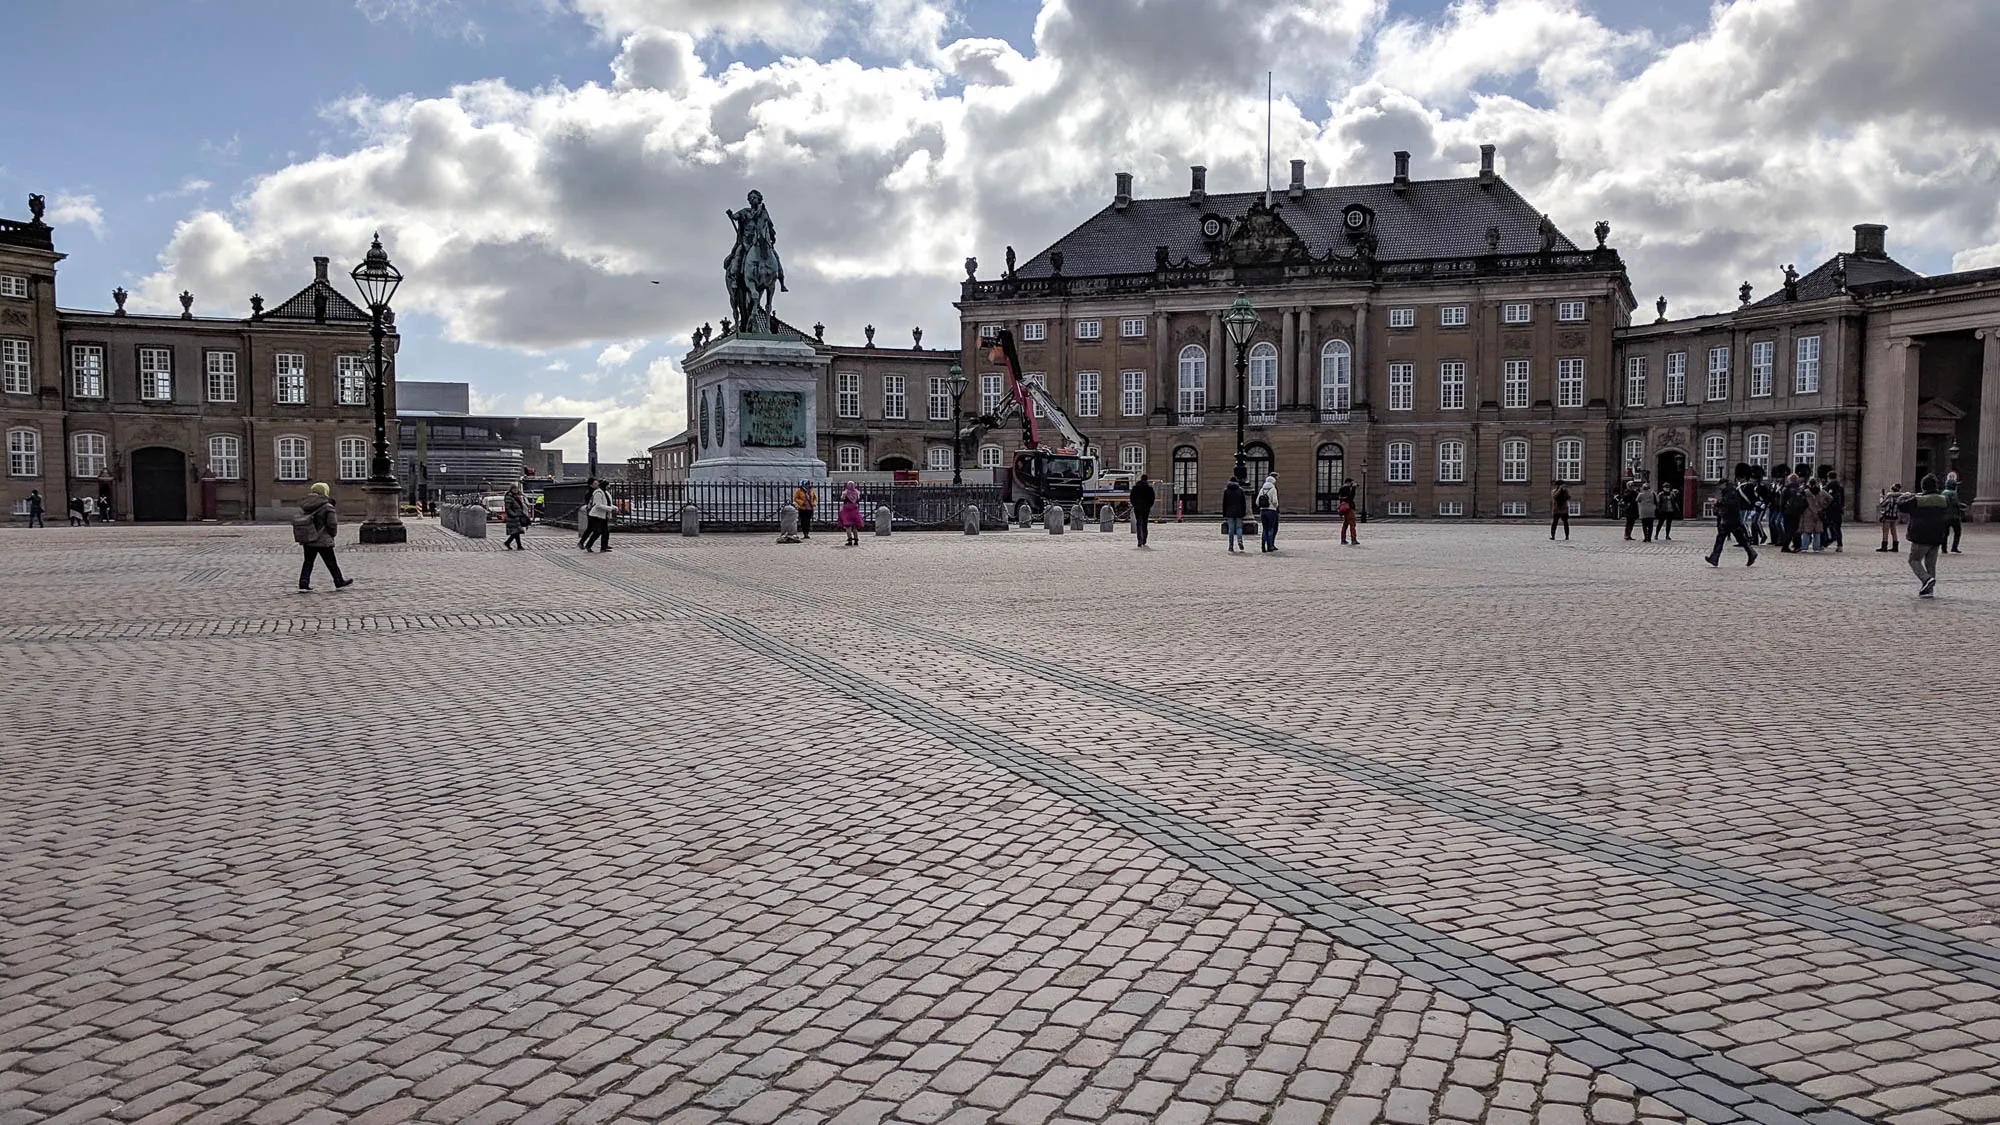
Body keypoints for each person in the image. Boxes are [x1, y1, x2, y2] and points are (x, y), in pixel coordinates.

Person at [1899, 474, 1950, 598]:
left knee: (1914, 560)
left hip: (1921, 536)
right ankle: (1928, 590)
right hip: (1937, 536)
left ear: (1923, 487)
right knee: (1930, 564)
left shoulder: (1918, 500)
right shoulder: (1943, 499)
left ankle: (1926, 579)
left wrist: (1905, 496)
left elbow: (1901, 505)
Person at [296, 483, 353, 591]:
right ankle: (339, 581)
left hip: (309, 538)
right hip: (323, 539)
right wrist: (332, 534)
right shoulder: (327, 506)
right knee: (331, 562)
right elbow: (332, 524)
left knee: (308, 562)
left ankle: (303, 582)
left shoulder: (306, 504)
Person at [1706, 470, 1758, 567]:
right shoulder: (1728, 491)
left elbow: (1730, 504)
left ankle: (1751, 553)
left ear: (1724, 484)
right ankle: (1715, 558)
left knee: (1734, 539)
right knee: (1728, 539)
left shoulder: (1731, 492)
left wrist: (1717, 502)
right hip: (1729, 519)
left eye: (1721, 485)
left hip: (1732, 519)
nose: (1720, 487)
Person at [578, 478, 614, 552]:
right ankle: (585, 544)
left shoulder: (604, 492)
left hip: (602, 514)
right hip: (595, 514)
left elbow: (607, 503)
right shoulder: (596, 492)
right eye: (595, 483)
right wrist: (610, 508)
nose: (597, 484)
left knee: (604, 531)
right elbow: (597, 505)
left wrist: (612, 507)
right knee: (595, 530)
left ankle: (603, 546)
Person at [1220, 475, 1247, 553]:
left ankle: (1231, 546)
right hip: (1239, 512)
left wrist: (1224, 513)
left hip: (1229, 512)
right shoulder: (1240, 490)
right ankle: (1240, 541)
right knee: (1239, 528)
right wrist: (1243, 512)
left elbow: (1224, 503)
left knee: (1231, 529)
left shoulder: (1226, 491)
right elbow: (1243, 503)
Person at [1798, 480, 1826, 552]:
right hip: (1818, 512)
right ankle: (1816, 548)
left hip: (1808, 513)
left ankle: (1804, 547)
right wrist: (1823, 506)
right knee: (1817, 532)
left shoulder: (1805, 492)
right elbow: (1830, 499)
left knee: (1806, 532)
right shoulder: (1822, 492)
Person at [1255, 473, 1280, 552]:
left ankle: (1263, 546)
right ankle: (1270, 546)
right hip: (1271, 511)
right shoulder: (1273, 489)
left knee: (1264, 529)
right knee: (1270, 528)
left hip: (1263, 510)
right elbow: (1275, 501)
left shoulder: (1262, 489)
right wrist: (1275, 506)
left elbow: (1257, 502)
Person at [1129, 474, 1156, 547]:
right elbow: (1152, 499)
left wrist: (1135, 505)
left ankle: (1139, 540)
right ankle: (1144, 539)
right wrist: (1149, 506)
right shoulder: (1149, 488)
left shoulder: (1135, 488)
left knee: (1138, 523)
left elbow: (1132, 498)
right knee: (1144, 523)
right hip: (1146, 508)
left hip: (1137, 508)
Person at [502, 484, 531, 550]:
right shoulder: (509, 497)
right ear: (511, 489)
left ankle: (512, 544)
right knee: (516, 531)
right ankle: (516, 545)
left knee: (516, 531)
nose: (516, 490)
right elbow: (508, 508)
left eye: (516, 489)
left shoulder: (515, 496)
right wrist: (513, 514)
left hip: (517, 516)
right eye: (514, 489)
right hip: (513, 517)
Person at [1822, 470, 1845, 553]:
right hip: (1838, 510)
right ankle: (1840, 545)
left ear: (1828, 478)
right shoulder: (1840, 487)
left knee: (1826, 526)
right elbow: (1843, 500)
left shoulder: (1827, 487)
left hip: (1830, 510)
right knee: (1838, 528)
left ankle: (1826, 541)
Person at [1877, 484, 1905, 552]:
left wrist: (1881, 497)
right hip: (1895, 516)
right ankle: (1895, 547)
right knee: (1894, 532)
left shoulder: (1889, 496)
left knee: (1885, 532)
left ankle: (1884, 547)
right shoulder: (1900, 497)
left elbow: (1882, 504)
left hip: (1887, 516)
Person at [1942, 474, 1965, 553]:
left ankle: (1944, 549)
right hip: (1954, 516)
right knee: (1957, 532)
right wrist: (1962, 505)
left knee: (1945, 533)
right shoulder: (1953, 493)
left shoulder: (1943, 493)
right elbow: (1956, 503)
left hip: (1944, 516)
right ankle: (1954, 547)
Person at [837, 480, 864, 546]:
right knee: (854, 527)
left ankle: (850, 540)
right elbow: (858, 499)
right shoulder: (857, 492)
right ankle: (856, 540)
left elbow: (842, 498)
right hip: (854, 509)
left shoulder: (845, 492)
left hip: (847, 510)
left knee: (848, 526)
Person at [1336, 478, 1359, 545]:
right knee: (1352, 524)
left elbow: (1341, 498)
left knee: (1345, 524)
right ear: (1348, 483)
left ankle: (1343, 539)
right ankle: (1353, 539)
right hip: (1349, 508)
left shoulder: (1341, 489)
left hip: (1344, 508)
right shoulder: (1347, 489)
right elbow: (1351, 497)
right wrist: (1353, 489)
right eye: (1351, 483)